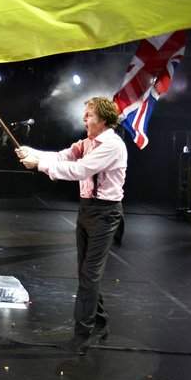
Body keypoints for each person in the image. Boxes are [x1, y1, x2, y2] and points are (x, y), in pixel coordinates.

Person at [17, 97, 127, 354]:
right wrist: (30, 153)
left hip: (106, 214)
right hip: (87, 210)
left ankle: (82, 334)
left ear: (103, 118)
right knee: (85, 274)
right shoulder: (87, 143)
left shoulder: (112, 145)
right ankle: (99, 322)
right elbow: (61, 156)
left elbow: (79, 170)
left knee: (89, 274)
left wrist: (39, 165)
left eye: (89, 114)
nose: (84, 119)